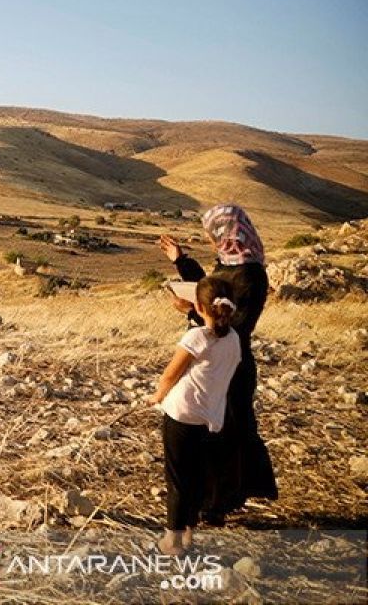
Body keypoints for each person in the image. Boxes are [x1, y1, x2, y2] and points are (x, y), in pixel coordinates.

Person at [157, 204, 278, 524]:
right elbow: (209, 291)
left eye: (214, 236)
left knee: (225, 436)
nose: (211, 242)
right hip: (210, 366)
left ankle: (218, 504)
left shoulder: (250, 274)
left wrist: (191, 312)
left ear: (228, 235)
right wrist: (181, 261)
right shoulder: (230, 265)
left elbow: (232, 326)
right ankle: (208, 502)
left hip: (228, 369)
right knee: (208, 435)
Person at [148, 277, 243, 555]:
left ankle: (173, 541)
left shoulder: (196, 337)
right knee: (197, 476)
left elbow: (170, 374)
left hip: (181, 413)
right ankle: (189, 532)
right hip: (210, 416)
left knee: (177, 477)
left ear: (200, 307)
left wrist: (157, 396)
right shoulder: (235, 340)